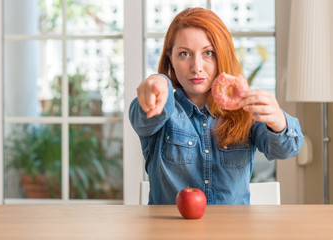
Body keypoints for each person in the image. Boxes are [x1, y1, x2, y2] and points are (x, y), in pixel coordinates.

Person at [129, 8, 303, 205]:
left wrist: (278, 122)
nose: (197, 67)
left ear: (222, 55)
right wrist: (158, 82)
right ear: (170, 58)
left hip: (232, 231)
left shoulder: (244, 111)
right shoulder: (159, 104)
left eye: (208, 53)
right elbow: (142, 117)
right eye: (184, 54)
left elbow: (286, 150)